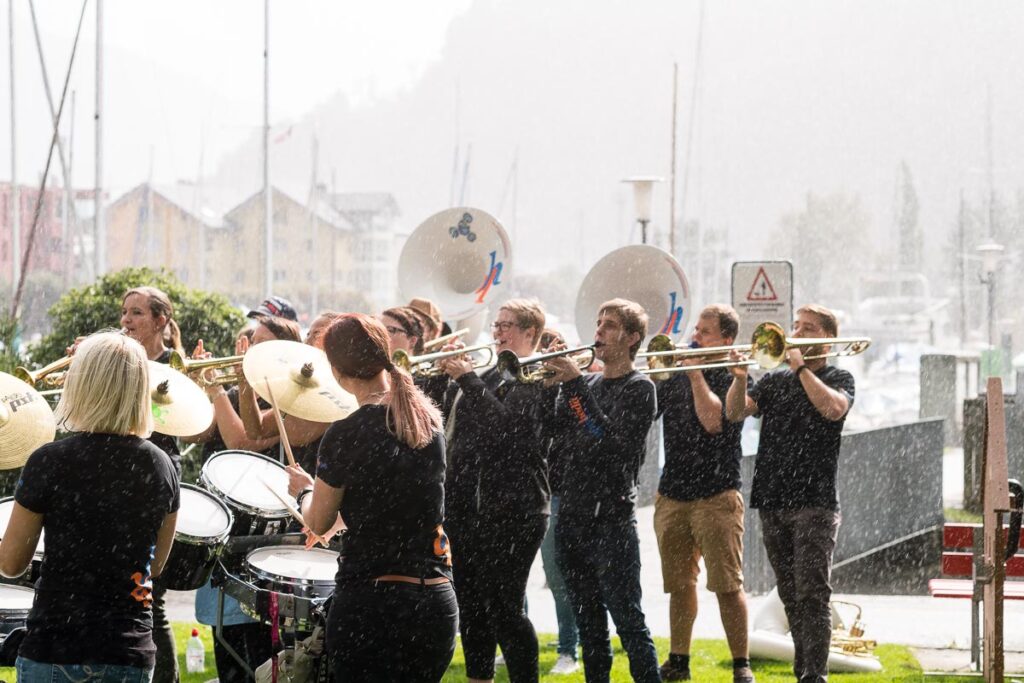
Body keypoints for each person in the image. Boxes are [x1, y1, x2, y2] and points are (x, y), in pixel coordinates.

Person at [0, 331, 179, 683]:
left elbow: (11, 563)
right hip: (128, 650)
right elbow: (156, 565)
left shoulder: (49, 461)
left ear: (82, 385)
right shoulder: (160, 465)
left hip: (56, 645)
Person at [292, 314, 457, 682]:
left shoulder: (347, 431)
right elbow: (392, 502)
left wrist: (304, 491)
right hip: (435, 599)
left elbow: (317, 521)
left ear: (336, 370)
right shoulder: (428, 420)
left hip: (374, 602)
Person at [725, 305, 855, 683]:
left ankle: (815, 676)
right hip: (772, 499)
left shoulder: (838, 376)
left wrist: (800, 368)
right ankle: (805, 671)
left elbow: (833, 409)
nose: (796, 332)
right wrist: (738, 379)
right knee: (790, 593)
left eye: (807, 328)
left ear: (827, 338)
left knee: (813, 593)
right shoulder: (774, 380)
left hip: (815, 501)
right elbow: (734, 413)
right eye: (795, 326)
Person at [542, 298, 661, 683]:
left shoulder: (640, 388)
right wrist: (548, 386)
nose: (598, 332)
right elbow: (554, 435)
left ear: (631, 338)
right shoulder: (588, 383)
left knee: (629, 623)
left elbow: (606, 443)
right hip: (573, 517)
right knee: (589, 626)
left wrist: (574, 383)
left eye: (609, 325)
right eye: (598, 323)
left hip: (610, 522)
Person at [437, 299, 551, 683]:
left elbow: (510, 433)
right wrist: (446, 377)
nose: (498, 332)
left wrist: (467, 380)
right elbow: (457, 429)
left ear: (530, 332)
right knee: (471, 605)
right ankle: (478, 677)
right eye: (497, 325)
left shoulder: (536, 377)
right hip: (471, 509)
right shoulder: (489, 376)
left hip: (517, 510)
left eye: (507, 326)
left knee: (506, 607)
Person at [653, 305, 754, 683]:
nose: (695, 337)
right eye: (696, 329)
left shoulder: (736, 374)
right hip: (673, 494)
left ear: (727, 339)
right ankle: (678, 661)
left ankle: (741, 665)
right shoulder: (674, 373)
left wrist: (694, 372)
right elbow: (646, 410)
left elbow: (714, 421)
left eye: (705, 332)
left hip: (717, 494)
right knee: (679, 586)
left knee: (727, 585)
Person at [121, 285, 188, 683]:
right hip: (120, 477)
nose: (126, 321)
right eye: (124, 313)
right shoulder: (123, 361)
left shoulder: (173, 367)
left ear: (161, 321)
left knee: (149, 596)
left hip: (154, 479)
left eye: (137, 313)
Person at [537, 328, 580, 676]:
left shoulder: (572, 390)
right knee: (510, 576)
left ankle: (569, 648)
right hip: (530, 490)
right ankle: (512, 640)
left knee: (558, 576)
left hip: (560, 492)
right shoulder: (530, 388)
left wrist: (564, 382)